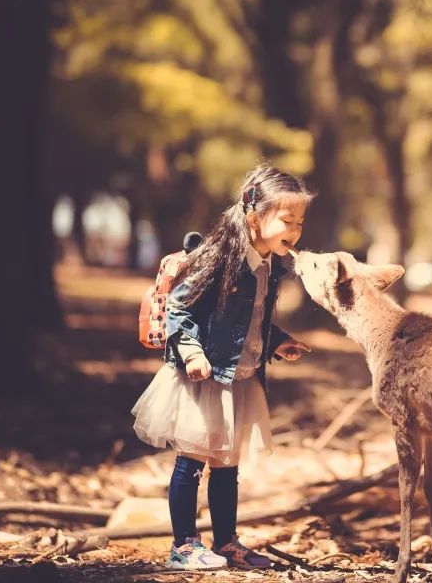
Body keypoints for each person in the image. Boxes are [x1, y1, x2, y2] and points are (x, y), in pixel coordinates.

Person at [132, 162, 314, 570]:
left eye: (300, 222)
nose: (295, 230)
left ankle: (226, 541)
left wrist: (278, 342)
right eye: (287, 220)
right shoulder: (222, 256)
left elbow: (251, 319)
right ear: (254, 214)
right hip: (204, 375)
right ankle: (183, 545)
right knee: (192, 459)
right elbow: (181, 308)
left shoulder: (270, 264)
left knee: (227, 465)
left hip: (240, 378)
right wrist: (192, 353)